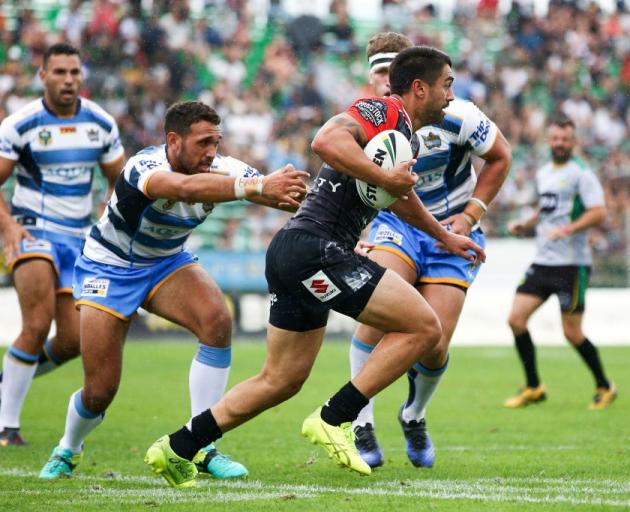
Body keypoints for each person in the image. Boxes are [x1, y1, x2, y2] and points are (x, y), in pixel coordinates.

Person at [144, 46, 486, 488]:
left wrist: (444, 236)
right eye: (447, 85)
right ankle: (336, 417)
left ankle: (177, 447)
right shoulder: (383, 110)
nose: (451, 94)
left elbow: (398, 195)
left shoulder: (408, 137)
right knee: (424, 327)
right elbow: (326, 140)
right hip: (317, 249)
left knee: (280, 380)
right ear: (419, 88)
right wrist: (386, 179)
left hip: (294, 251)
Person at [37, 100, 309, 480]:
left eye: (216, 141)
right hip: (109, 266)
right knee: (100, 390)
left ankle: (200, 445)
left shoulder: (224, 168)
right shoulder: (143, 167)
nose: (212, 152)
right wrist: (258, 185)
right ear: (173, 141)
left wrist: (329, 216)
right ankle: (67, 448)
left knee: (216, 320)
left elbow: (280, 196)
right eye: (202, 143)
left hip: (165, 263)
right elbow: (182, 188)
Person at [348, 32, 512, 469]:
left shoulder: (457, 113)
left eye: (391, 71)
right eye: (378, 73)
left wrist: (471, 215)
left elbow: (500, 156)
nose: (385, 82)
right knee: (373, 316)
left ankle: (414, 414)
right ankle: (360, 422)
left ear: (411, 79)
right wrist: (357, 229)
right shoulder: (364, 120)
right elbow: (352, 180)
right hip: (396, 227)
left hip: (452, 230)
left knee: (434, 342)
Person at [0, 43, 125, 446]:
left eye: (74, 72)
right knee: (35, 324)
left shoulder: (100, 124)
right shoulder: (21, 124)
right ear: (43, 76)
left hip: (78, 238)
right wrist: (7, 227)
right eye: (59, 72)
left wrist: (109, 206)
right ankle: (7, 425)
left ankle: (7, 382)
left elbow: (120, 181)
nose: (68, 80)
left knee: (72, 341)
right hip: (32, 229)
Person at [504, 114, 616, 410]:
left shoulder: (582, 173)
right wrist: (527, 224)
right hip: (543, 262)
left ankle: (605, 386)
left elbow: (598, 212)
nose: (559, 144)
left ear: (573, 141)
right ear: (548, 140)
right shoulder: (544, 173)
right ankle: (533, 386)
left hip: (571, 264)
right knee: (516, 320)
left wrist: (568, 229)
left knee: (571, 332)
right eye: (555, 138)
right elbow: (547, 207)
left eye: (565, 139)